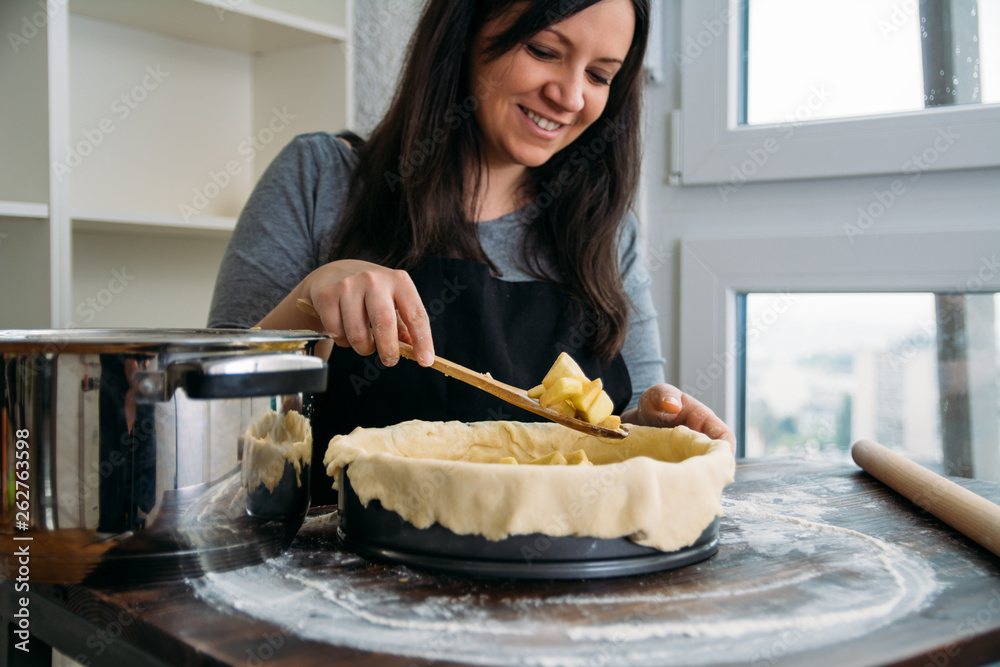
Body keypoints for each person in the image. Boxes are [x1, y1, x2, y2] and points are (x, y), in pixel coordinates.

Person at [209, 0, 735, 505]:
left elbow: (622, 426)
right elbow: (215, 436)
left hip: (556, 580)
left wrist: (654, 424)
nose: (572, 96)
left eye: (600, 75)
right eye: (544, 51)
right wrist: (308, 301)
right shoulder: (320, 177)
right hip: (343, 574)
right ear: (465, 32)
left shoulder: (610, 231)